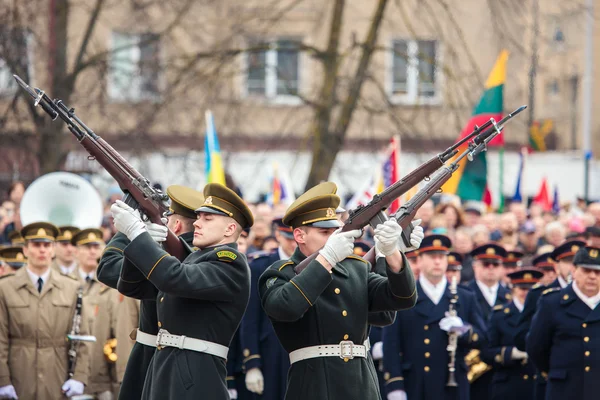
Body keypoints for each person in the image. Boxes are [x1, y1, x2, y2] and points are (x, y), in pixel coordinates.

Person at [258, 182, 423, 400]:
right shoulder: (281, 273)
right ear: (300, 235)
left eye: (336, 231)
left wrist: (391, 252)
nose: (333, 238)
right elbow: (285, 308)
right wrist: (326, 259)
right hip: (313, 386)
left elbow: (399, 301)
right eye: (324, 232)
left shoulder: (357, 268)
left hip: (362, 386)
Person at [112, 182, 254, 400]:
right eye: (198, 217)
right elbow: (132, 286)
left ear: (230, 229)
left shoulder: (230, 263)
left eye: (208, 219)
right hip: (164, 368)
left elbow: (174, 278)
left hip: (196, 374)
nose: (197, 223)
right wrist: (142, 240)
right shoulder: (193, 258)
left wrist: (137, 233)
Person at [97, 184, 204, 399]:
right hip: (193, 367)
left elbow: (107, 267)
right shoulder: (206, 259)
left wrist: (133, 233)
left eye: (167, 216)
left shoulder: (164, 258)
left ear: (175, 226)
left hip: (152, 357)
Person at [382, 234, 487, 400]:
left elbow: (482, 337)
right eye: (432, 257)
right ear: (420, 260)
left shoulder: (465, 297)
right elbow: (391, 345)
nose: (437, 262)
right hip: (416, 383)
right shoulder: (403, 296)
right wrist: (395, 385)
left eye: (442, 257)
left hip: (453, 384)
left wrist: (464, 330)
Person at [0, 222, 91, 399]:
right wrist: (2, 379)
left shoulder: (71, 288)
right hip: (19, 376)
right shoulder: (5, 287)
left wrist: (79, 377)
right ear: (25, 250)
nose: (42, 250)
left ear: (53, 250)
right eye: (36, 245)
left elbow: (82, 337)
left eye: (47, 245)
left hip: (57, 376)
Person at [527, 246, 600, 400]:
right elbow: (536, 347)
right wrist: (556, 370)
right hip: (566, 388)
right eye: (586, 270)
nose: (593, 276)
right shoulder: (552, 302)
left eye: (598, 272)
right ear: (574, 271)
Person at [240, 218, 296, 400]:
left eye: (297, 238)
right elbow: (250, 318)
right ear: (278, 235)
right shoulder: (259, 266)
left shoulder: (311, 265)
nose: (294, 243)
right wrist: (252, 363)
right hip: (269, 353)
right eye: (289, 238)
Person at [481, 268, 543, 400]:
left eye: (531, 289)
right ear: (514, 289)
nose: (527, 293)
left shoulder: (543, 313)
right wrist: (510, 353)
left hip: (536, 384)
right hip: (509, 385)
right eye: (522, 288)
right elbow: (486, 352)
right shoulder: (499, 315)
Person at [72, 228, 118, 399]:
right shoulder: (65, 283)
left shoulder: (111, 285)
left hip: (103, 376)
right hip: (72, 376)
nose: (93, 251)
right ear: (76, 252)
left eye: (96, 246)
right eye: (87, 247)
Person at [466, 243, 511, 400]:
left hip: (504, 370)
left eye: (495, 264)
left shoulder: (510, 296)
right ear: (475, 266)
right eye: (485, 264)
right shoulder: (464, 294)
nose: (490, 268)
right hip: (473, 372)